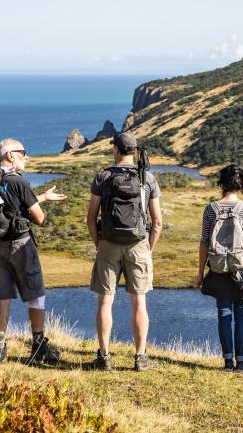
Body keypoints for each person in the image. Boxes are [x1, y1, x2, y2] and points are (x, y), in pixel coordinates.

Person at [86, 132, 163, 371]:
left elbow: (91, 218)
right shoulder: (147, 178)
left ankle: (104, 357)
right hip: (138, 244)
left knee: (105, 302)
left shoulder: (103, 176)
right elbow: (157, 222)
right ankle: (140, 358)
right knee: (139, 303)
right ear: (135, 151)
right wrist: (147, 249)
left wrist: (100, 244)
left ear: (116, 150)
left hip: (108, 244)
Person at [0, 138, 67, 365]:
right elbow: (39, 218)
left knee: (3, 296)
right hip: (20, 244)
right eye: (23, 153)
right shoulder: (19, 182)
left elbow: (12, 208)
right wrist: (39, 205)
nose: (27, 157)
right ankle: (38, 345)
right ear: (11, 155)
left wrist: (41, 197)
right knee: (36, 294)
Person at [195, 164, 243, 373]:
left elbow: (205, 242)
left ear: (221, 183)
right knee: (242, 315)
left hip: (218, 267)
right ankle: (241, 362)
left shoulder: (211, 209)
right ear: (241, 184)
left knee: (224, 314)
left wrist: (199, 273)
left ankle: (227, 362)